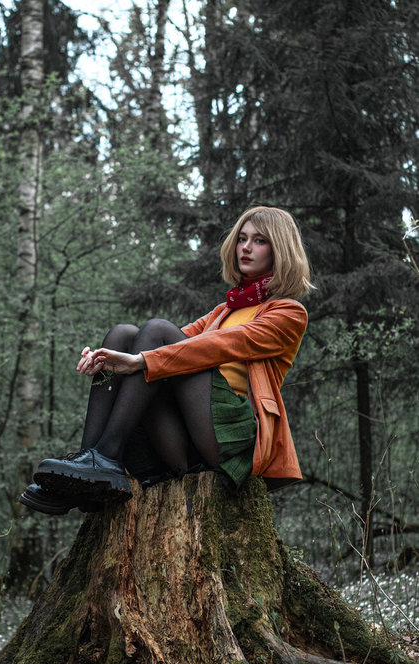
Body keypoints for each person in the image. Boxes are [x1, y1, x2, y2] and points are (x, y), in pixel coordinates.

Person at [20, 206, 313, 515]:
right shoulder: (224, 311)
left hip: (230, 439)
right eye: (242, 238)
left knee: (156, 332)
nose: (246, 247)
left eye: (259, 240)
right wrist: (109, 360)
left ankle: (104, 456)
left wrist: (140, 360)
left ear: (280, 250)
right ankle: (88, 471)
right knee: (123, 335)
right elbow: (171, 345)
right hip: (188, 434)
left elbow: (221, 345)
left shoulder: (288, 313)